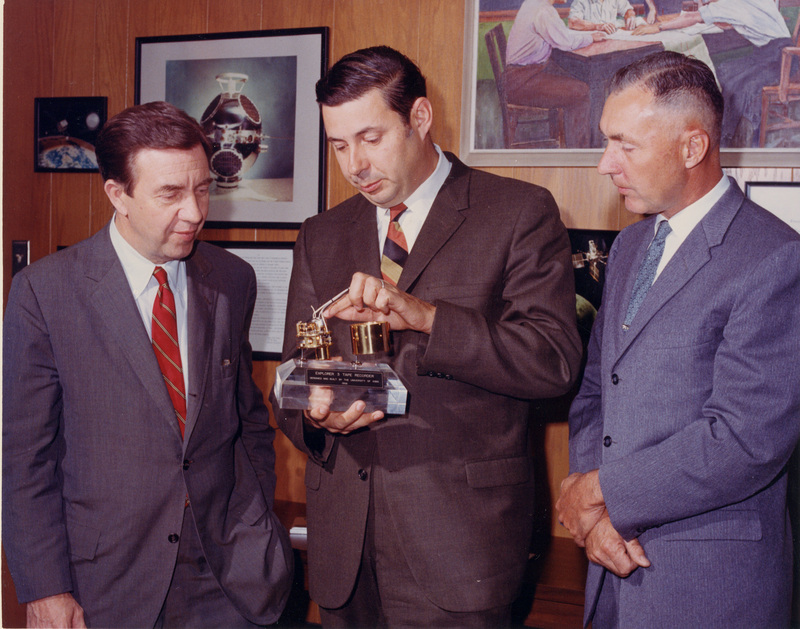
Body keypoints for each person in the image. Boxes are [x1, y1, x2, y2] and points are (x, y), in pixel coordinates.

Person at [271, 46, 582, 627]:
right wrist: (313, 417)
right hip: (344, 551)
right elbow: (295, 370)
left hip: (463, 549)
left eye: (370, 138)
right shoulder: (321, 234)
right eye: (339, 145)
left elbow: (553, 362)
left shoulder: (518, 212)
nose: (354, 164)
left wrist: (429, 318)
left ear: (419, 118)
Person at [2, 101, 293, 628]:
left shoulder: (232, 280)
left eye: (202, 188)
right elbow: (25, 458)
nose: (195, 212)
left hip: (231, 578)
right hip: (108, 584)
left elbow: (247, 419)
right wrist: (46, 587)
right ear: (118, 195)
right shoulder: (44, 293)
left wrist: (259, 523)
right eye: (170, 194)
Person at [556, 51, 800, 627]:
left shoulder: (774, 258)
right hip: (608, 568)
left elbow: (745, 440)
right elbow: (596, 391)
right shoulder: (633, 246)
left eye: (624, 144)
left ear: (692, 147)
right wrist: (594, 521)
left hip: (707, 586)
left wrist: (598, 492)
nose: (604, 163)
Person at [632, 0, 792, 146]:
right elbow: (734, 20)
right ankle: (728, 131)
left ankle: (735, 137)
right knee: (723, 71)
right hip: (776, 54)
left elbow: (694, 17)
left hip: (781, 61)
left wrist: (659, 27)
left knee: (734, 82)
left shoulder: (730, 4)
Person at [505, 0, 607, 147]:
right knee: (581, 91)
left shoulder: (534, 3)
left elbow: (561, 35)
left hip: (521, 75)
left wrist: (586, 35)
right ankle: (579, 149)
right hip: (522, 80)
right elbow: (564, 41)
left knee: (575, 78)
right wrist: (591, 37)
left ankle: (579, 140)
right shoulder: (544, 11)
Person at [568, 0, 656, 33]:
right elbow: (572, 22)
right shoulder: (580, 1)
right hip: (591, 42)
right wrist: (597, 26)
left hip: (611, 39)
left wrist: (630, 15)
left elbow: (627, 10)